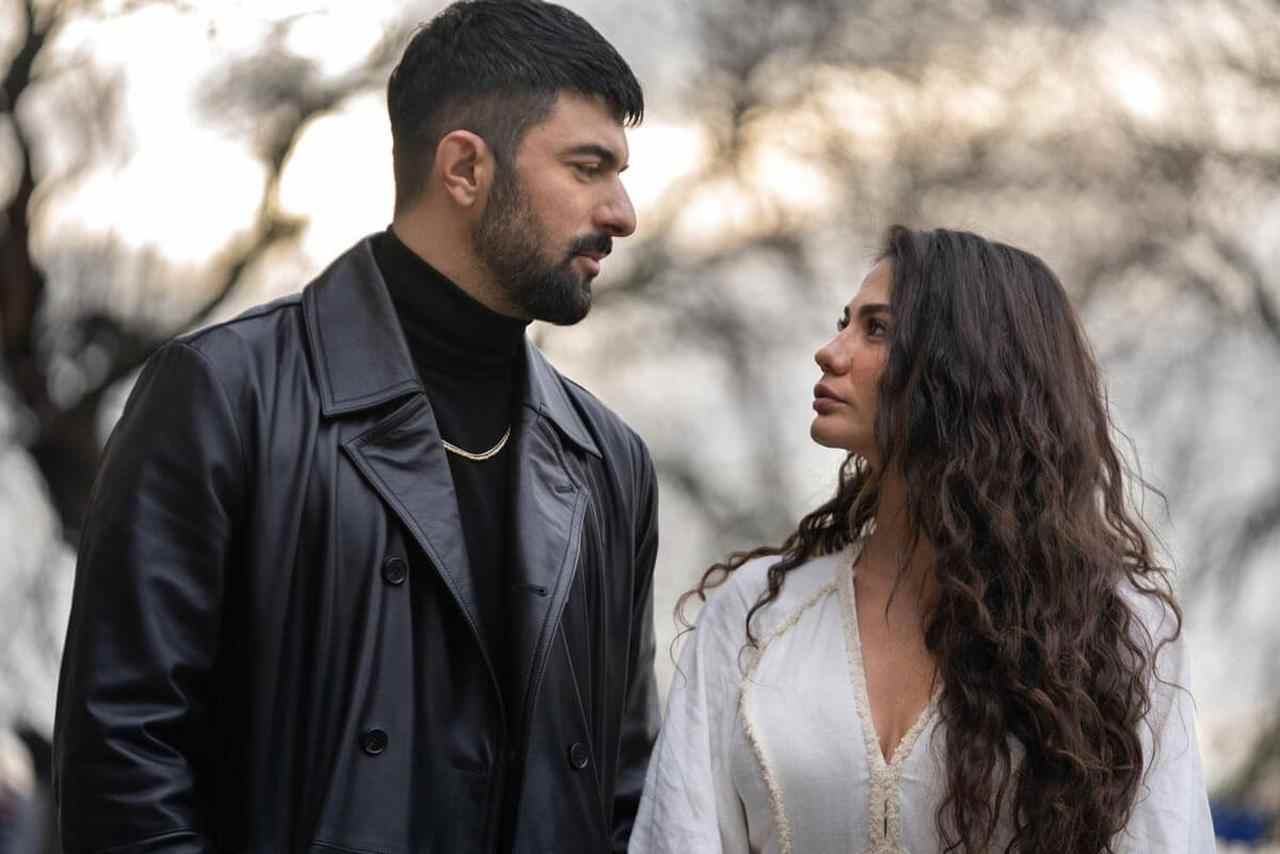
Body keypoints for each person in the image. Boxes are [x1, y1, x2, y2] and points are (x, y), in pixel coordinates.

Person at [53, 2, 659, 852]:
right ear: (464, 168)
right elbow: (122, 765)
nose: (622, 213)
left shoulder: (609, 464)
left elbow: (628, 794)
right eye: (588, 168)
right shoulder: (225, 397)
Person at [630, 226, 1215, 853]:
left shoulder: (1114, 631)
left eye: (877, 329)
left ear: (967, 368)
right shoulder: (755, 617)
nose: (830, 351)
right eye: (845, 323)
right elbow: (677, 836)